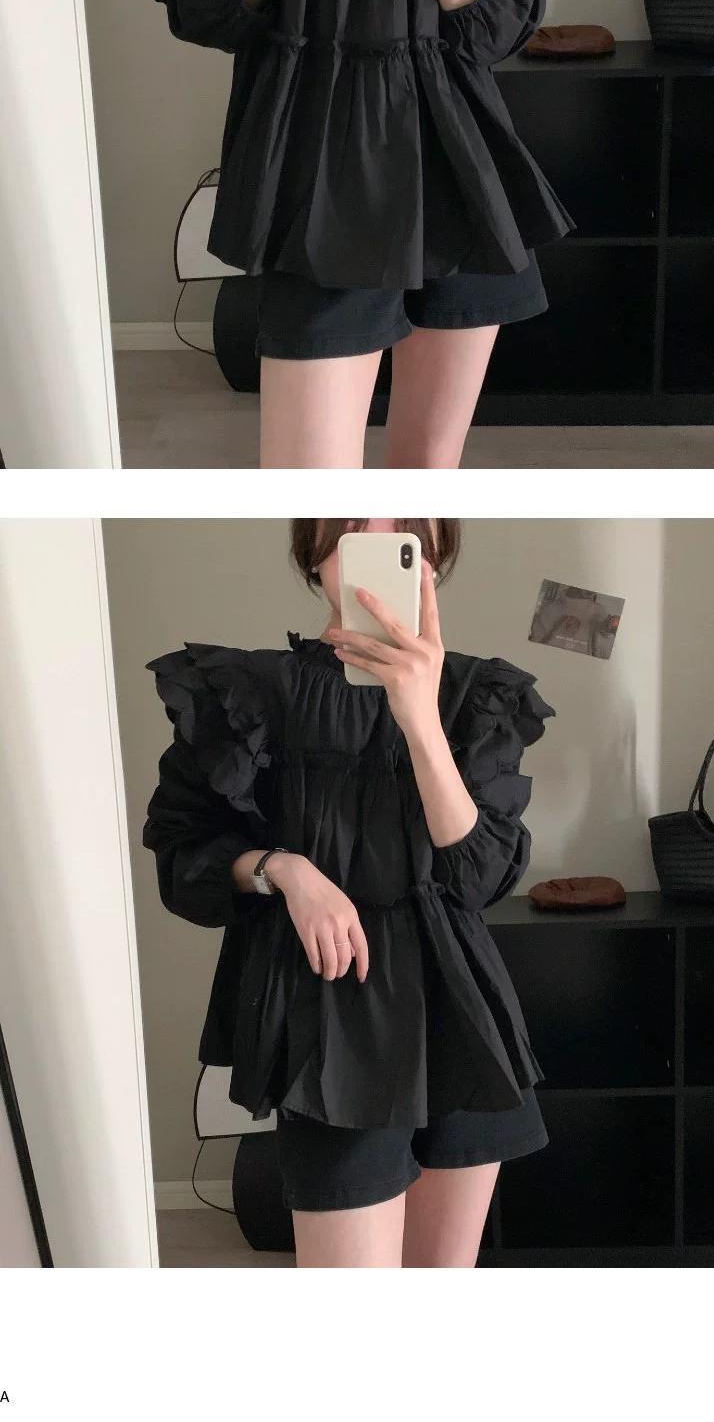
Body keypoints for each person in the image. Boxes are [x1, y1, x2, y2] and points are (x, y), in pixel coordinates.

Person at [135, 0, 576, 466]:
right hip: (315, 176)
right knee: (314, 492)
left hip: (458, 175)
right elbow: (200, 11)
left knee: (425, 483)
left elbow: (494, 30)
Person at [144, 516, 554, 1269]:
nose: (377, 540)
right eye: (352, 529)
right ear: (313, 551)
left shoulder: (474, 696)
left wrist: (420, 716)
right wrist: (285, 870)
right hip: (327, 1006)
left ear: (434, 557)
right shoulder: (248, 692)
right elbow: (183, 857)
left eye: (405, 534)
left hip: (456, 1011)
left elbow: (480, 877)